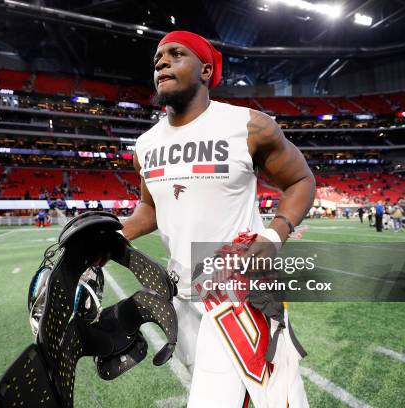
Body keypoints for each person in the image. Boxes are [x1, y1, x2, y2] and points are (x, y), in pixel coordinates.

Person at [120, 31, 315, 407]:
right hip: (181, 294)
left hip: (236, 288)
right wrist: (115, 233)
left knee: (250, 398)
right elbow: (150, 208)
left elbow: (301, 180)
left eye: (176, 54)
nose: (161, 62)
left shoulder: (249, 126)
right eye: (158, 58)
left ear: (206, 69)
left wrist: (274, 236)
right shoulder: (145, 145)